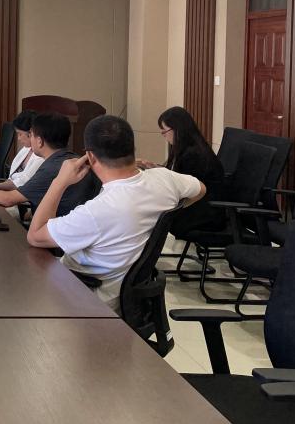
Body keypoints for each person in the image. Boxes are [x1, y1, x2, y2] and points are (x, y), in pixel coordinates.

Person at [26, 115, 205, 312]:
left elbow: (35, 236)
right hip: (125, 297)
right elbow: (200, 189)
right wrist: (168, 211)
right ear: (132, 149)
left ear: (90, 157)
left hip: (85, 298)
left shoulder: (97, 211)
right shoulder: (165, 179)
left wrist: (59, 181)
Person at [0, 112, 97, 215]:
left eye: (32, 134)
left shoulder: (52, 167)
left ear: (39, 141)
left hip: (57, 236)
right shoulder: (68, 159)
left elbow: (9, 199)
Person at [140, 106, 225, 235]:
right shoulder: (187, 148)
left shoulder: (194, 155)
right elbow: (178, 178)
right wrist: (157, 169)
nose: (164, 136)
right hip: (198, 205)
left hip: (205, 212)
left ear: (177, 129)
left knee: (154, 216)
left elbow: (185, 189)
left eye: (164, 131)